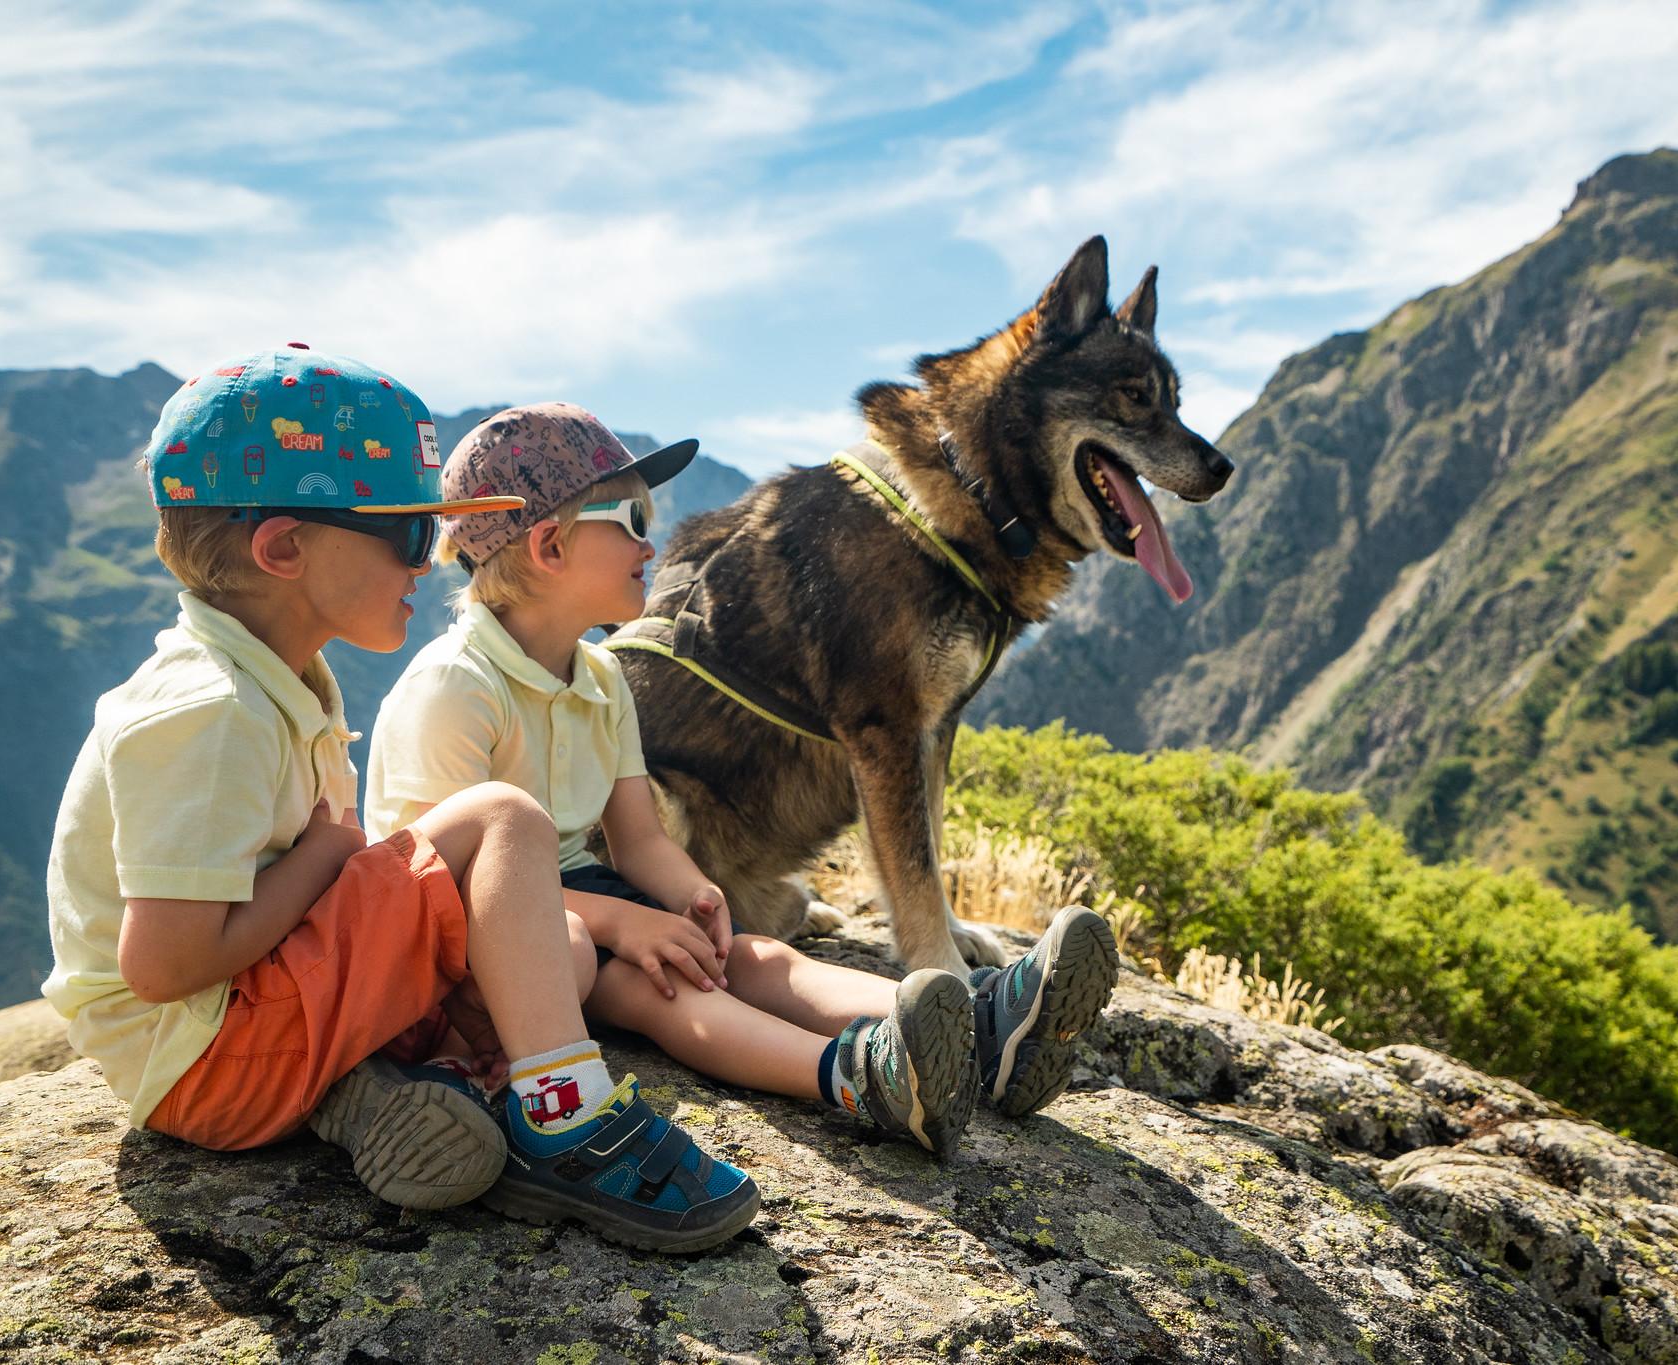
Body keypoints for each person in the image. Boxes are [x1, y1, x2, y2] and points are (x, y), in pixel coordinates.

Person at [43, 349, 757, 1254]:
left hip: (241, 1026)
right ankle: (565, 1120)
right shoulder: (211, 710)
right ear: (284, 548)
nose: (433, 564)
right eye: (413, 536)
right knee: (501, 818)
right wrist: (325, 854)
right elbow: (164, 964)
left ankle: (370, 1095)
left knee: (555, 956)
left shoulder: (274, 680)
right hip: (201, 1055)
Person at [364, 404, 1119, 1161]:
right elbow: (443, 887)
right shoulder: (454, 688)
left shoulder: (602, 676)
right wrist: (626, 925)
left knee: (752, 958)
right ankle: (859, 1075)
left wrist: (696, 898)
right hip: (485, 941)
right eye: (629, 519)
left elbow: (639, 838)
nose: (651, 543)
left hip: (580, 901)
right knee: (665, 992)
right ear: (550, 545)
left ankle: (987, 1029)